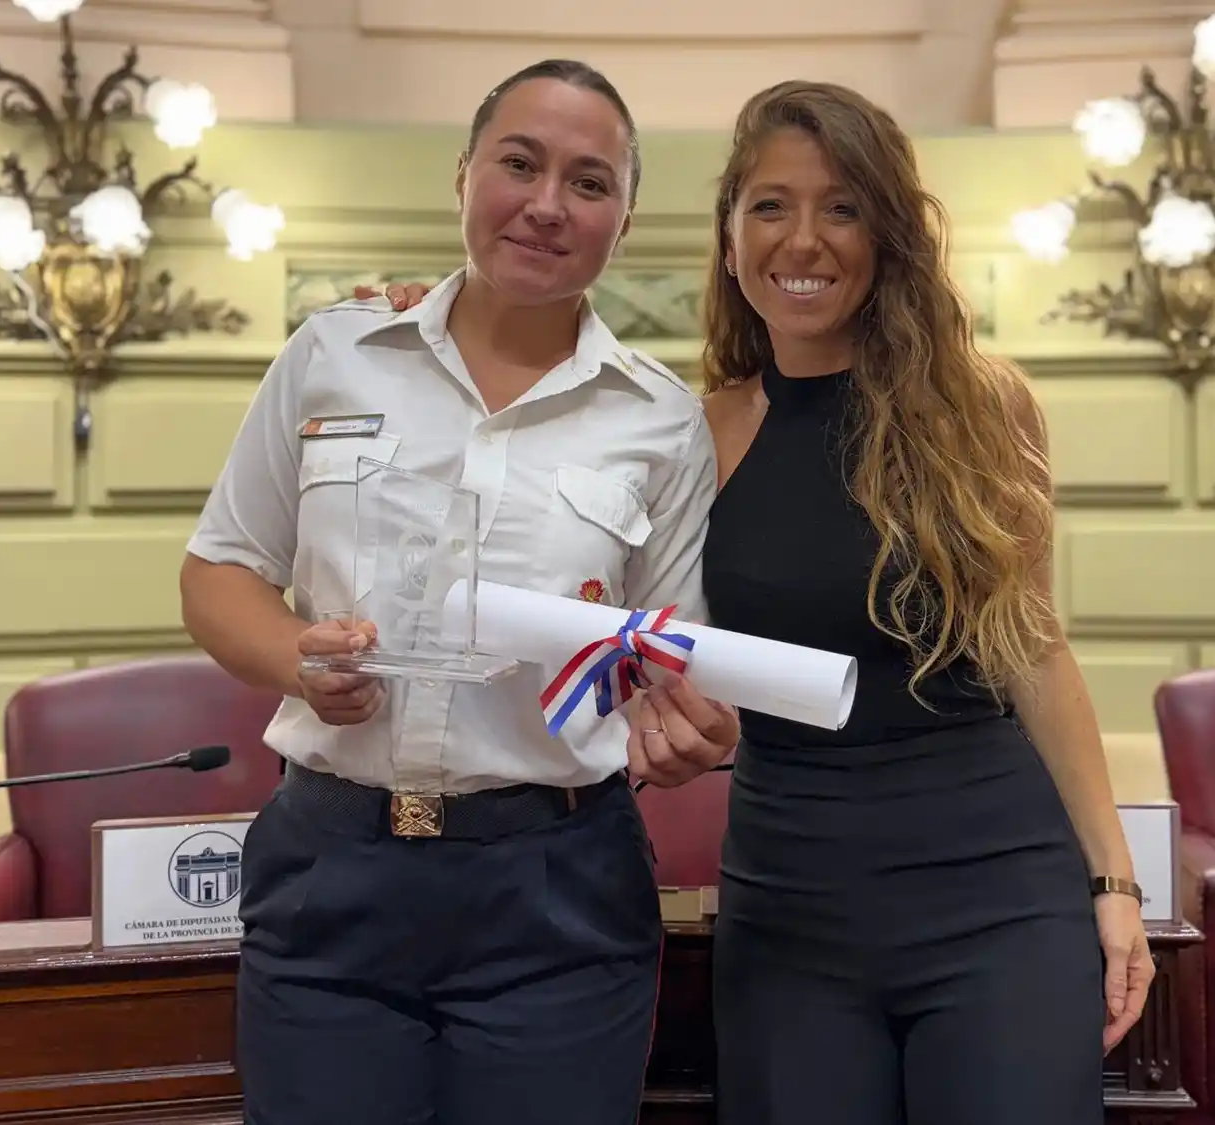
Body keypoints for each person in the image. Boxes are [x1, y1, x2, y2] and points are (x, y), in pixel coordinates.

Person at [377, 80, 1153, 1125]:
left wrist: (1114, 884)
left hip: (996, 891)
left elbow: (1037, 651)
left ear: (888, 234)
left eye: (843, 207)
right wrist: (434, 325)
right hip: (791, 909)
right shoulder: (695, 431)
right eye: (771, 206)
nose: (804, 238)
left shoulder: (983, 404)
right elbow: (566, 543)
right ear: (731, 236)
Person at [180, 59, 738, 1125]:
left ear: (623, 221)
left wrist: (688, 732)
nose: (547, 204)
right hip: (331, 872)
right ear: (463, 175)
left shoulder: (662, 421)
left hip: (558, 890)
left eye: (588, 182)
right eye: (518, 164)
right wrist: (296, 656)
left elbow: (671, 661)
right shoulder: (333, 354)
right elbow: (219, 571)